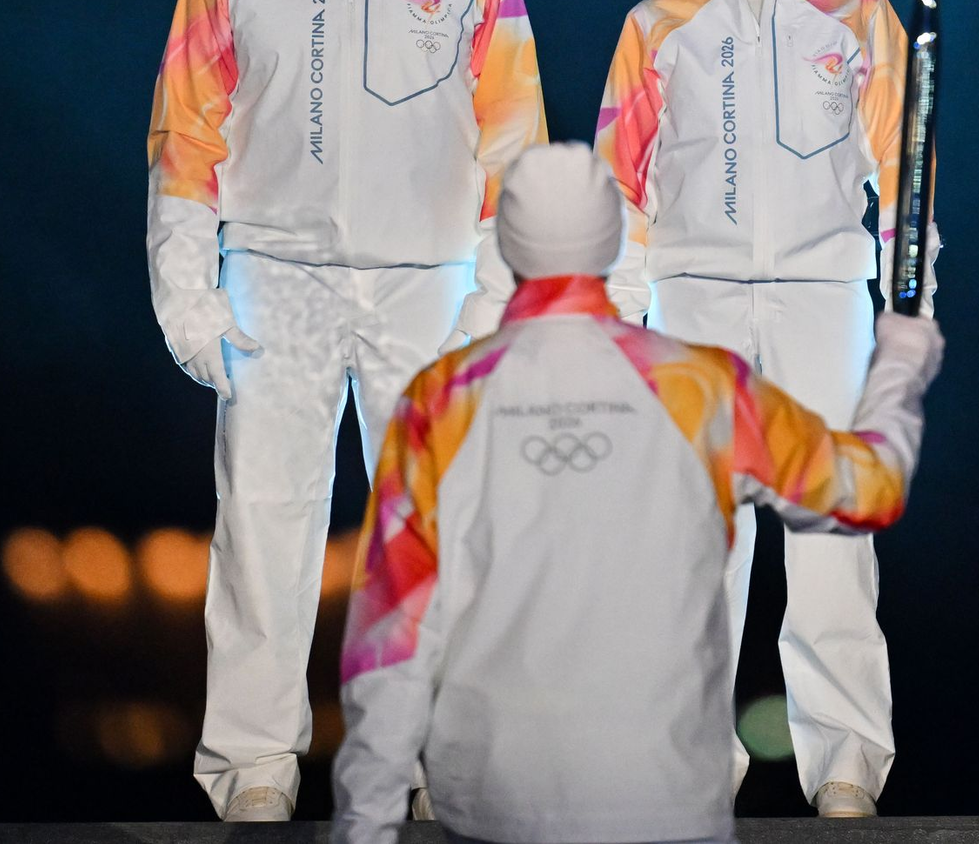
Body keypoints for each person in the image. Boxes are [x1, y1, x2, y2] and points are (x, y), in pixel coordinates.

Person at [146, 0, 546, 822]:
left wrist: (496, 295)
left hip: (429, 281)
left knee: (435, 528)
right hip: (276, 276)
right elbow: (187, 137)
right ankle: (255, 767)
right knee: (264, 522)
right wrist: (189, 293)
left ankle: (432, 761)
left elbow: (514, 144)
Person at [330, 142, 943, 844]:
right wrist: (898, 363)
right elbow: (869, 490)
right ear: (617, 240)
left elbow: (391, 637)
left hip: (494, 805)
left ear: (505, 244)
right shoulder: (701, 386)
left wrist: (365, 826)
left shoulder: (440, 400)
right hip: (665, 802)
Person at [593, 0, 941, 816]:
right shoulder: (656, 26)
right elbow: (622, 188)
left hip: (823, 297)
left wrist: (912, 304)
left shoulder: (860, 14)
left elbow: (903, 172)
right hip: (691, 305)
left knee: (833, 531)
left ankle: (844, 762)